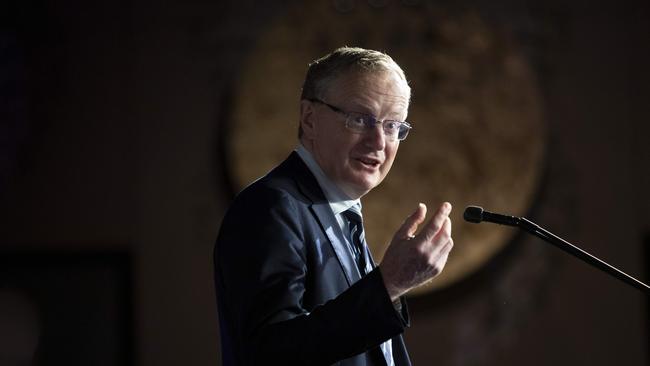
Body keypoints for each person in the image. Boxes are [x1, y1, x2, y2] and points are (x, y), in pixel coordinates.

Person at [214, 46, 454, 366]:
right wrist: (390, 284)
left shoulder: (338, 212)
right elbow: (270, 352)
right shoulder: (271, 207)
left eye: (392, 125)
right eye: (359, 119)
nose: (379, 142)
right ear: (310, 119)